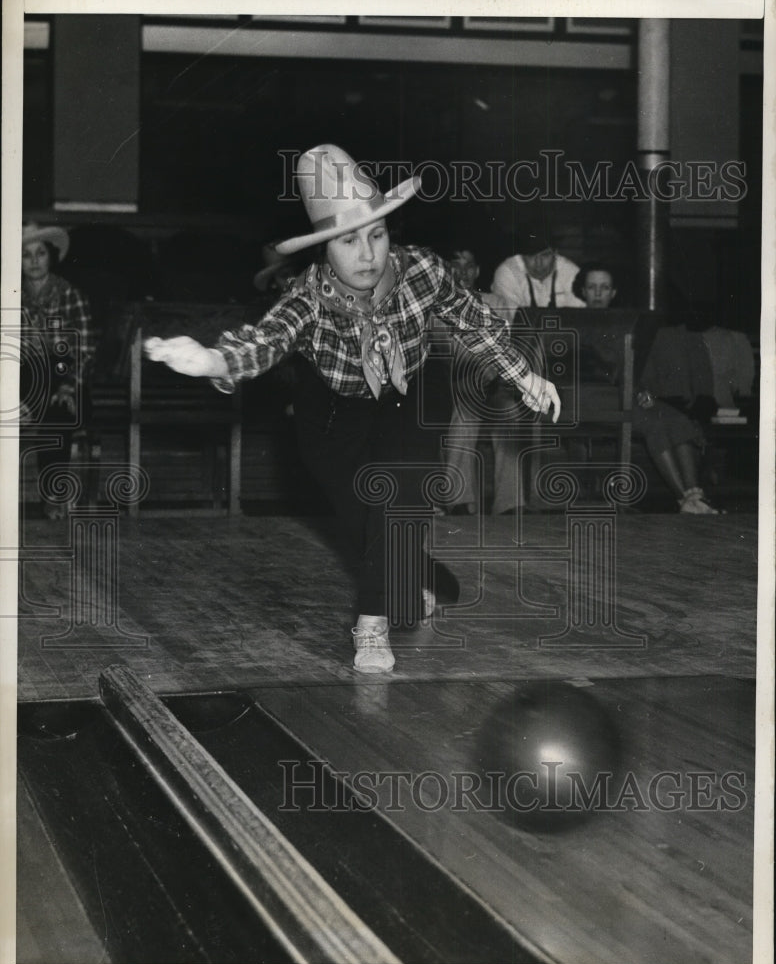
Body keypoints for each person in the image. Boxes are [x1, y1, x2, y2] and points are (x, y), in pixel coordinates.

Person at [145, 144, 560, 674]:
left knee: (399, 499)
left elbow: (474, 321)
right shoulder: (307, 295)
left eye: (377, 235)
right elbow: (267, 340)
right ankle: (414, 580)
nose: (367, 254)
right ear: (325, 248)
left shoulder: (423, 271)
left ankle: (370, 625)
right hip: (332, 411)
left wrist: (523, 374)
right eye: (348, 240)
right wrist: (211, 360)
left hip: (407, 394)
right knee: (371, 527)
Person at [573, 263, 721, 515]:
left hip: (625, 395)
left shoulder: (627, 323)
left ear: (613, 292)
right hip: (587, 398)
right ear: (583, 291)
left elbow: (636, 366)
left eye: (605, 287)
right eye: (592, 287)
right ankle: (682, 498)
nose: (598, 293)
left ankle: (696, 495)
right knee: (653, 424)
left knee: (676, 419)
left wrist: (643, 390)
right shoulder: (573, 322)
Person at [442, 247, 533, 515]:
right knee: (466, 413)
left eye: (468, 265)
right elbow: (446, 352)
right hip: (457, 384)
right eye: (455, 265)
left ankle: (510, 504)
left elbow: (514, 343)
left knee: (509, 413)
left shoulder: (498, 302)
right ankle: (459, 500)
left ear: (478, 271)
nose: (462, 272)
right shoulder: (438, 306)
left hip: (495, 385)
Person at [21, 222, 95, 519]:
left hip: (66, 379)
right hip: (24, 379)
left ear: (50, 256)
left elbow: (85, 350)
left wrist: (67, 386)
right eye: (26, 255)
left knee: (60, 410)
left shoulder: (69, 294)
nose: (35, 261)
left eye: (40, 253)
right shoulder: (10, 295)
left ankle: (53, 493)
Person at [491, 221, 585, 321]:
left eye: (545, 255)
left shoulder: (571, 272)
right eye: (531, 256)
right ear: (521, 256)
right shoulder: (507, 273)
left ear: (555, 253)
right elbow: (512, 321)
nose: (538, 263)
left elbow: (577, 319)